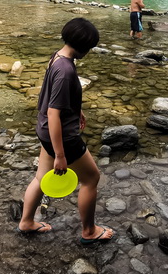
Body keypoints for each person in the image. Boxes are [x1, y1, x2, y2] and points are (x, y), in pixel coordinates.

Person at [18, 18, 114, 245]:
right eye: (89, 48)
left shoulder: (57, 57)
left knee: (41, 177)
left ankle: (26, 222)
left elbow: (56, 98)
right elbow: (54, 113)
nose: (89, 52)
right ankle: (89, 231)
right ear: (82, 47)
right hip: (61, 135)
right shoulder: (66, 70)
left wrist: (77, 110)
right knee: (92, 178)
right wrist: (60, 156)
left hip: (44, 130)